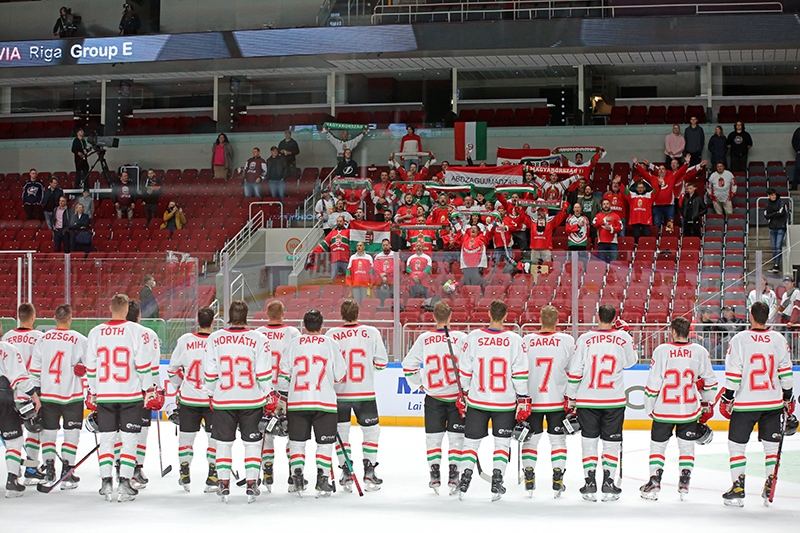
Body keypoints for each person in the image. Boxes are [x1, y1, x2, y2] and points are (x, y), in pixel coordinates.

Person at [720, 301, 794, 507]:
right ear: (767, 317)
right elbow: (786, 372)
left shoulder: (739, 339)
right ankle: (770, 483)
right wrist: (788, 396)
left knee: (736, 446)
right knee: (771, 447)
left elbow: (734, 373)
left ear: (751, 316)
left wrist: (728, 396)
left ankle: (737, 487)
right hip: (772, 402)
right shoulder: (778, 339)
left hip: (746, 403)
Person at [204, 300, 275, 503]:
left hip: (224, 400)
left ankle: (223, 483)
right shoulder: (259, 338)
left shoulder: (215, 338)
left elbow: (210, 372)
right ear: (246, 316)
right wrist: (268, 393)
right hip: (251, 400)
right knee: (252, 444)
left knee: (223, 444)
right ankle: (252, 483)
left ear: (229, 315)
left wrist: (211, 393)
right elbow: (263, 373)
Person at [456, 299, 528, 501]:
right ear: (506, 316)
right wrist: (523, 398)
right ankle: (497, 481)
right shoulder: (515, 340)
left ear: (489, 314)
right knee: (502, 444)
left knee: (470, 443)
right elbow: (520, 375)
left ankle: (465, 480)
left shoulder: (474, 337)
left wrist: (465, 392)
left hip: (477, 401)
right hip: (504, 403)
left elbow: (465, 371)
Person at [639, 317, 718, 501]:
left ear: (673, 331)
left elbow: (654, 382)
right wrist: (706, 403)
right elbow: (711, 382)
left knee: (658, 446)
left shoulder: (661, 350)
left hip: (664, 409)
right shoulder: (699, 351)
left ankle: (654, 480)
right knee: (686, 446)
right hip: (689, 410)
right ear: (689, 331)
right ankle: (684, 482)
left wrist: (649, 406)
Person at [85, 294, 154, 502]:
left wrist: (94, 391)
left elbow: (91, 367)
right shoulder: (136, 331)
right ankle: (124, 483)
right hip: (129, 395)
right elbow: (143, 365)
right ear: (125, 310)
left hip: (105, 395)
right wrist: (148, 389)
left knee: (107, 439)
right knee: (129, 440)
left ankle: (106, 482)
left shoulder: (96, 332)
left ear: (110, 308)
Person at [566, 304, 637, 502]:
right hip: (613, 400)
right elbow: (630, 362)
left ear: (597, 317)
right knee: (611, 444)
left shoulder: (585, 338)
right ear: (614, 318)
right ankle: (609, 484)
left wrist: (571, 397)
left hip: (588, 399)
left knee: (589, 442)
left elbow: (576, 371)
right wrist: (628, 336)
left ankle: (589, 484)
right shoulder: (622, 337)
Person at [401, 300, 468, 495]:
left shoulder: (424, 338)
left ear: (433, 317)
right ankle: (454, 475)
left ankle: (434, 473)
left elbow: (408, 365)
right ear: (451, 316)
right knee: (456, 439)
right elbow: (470, 365)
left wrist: (418, 383)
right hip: (456, 398)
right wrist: (466, 388)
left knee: (433, 439)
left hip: (433, 397)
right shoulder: (461, 338)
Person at [279, 310, 346, 497]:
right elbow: (340, 375)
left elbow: (283, 374)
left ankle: (297, 478)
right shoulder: (330, 343)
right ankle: (322, 479)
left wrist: (285, 396)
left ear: (304, 325)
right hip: (324, 402)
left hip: (297, 402)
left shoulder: (294, 343)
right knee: (324, 443)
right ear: (322, 325)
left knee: (296, 442)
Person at [327, 300, 388, 491]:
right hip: (365, 393)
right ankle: (369, 471)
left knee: (342, 433)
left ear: (341, 314)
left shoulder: (331, 334)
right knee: (371, 432)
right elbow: (382, 363)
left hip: (339, 394)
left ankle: (346, 471)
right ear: (358, 313)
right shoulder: (372, 332)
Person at [28, 304, 87, 489]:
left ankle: (49, 470)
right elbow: (91, 367)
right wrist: (83, 371)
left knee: (48, 433)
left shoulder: (43, 338)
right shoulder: (80, 339)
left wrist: (35, 393)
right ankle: (67, 472)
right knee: (72, 434)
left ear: (54, 318)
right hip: (72, 396)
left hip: (48, 395)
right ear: (70, 318)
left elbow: (34, 370)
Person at [519, 305, 575, 498]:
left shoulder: (527, 340)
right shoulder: (566, 341)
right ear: (558, 321)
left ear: (540, 320)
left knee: (531, 440)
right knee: (558, 440)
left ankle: (529, 475)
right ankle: (558, 476)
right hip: (557, 400)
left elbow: (520, 370)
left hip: (532, 400)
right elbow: (572, 370)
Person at [167, 306, 219, 493]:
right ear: (213, 322)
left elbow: (172, 370)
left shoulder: (185, 340)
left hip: (189, 399)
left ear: (198, 321)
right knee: (214, 439)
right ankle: (213, 476)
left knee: (186, 438)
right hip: (212, 400)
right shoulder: (218, 341)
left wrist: (179, 386)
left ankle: (184, 472)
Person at [255, 301, 301, 491]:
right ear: (284, 313)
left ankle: (267, 471)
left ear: (266, 313)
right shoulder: (292, 333)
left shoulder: (258, 333)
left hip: (264, 391)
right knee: (292, 433)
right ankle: (293, 473)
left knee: (266, 434)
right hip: (286, 392)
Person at [2, 303, 45, 485]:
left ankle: (16, 468)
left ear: (18, 317)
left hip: (10, 393)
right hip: (29, 391)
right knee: (33, 431)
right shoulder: (40, 338)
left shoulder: (7, 337)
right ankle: (31, 468)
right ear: (33, 317)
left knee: (12, 435)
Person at [0, 330, 41, 498]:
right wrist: (34, 395)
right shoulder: (8, 348)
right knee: (14, 441)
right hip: (3, 396)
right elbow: (19, 378)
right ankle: (12, 480)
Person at [309, 216, 350, 282]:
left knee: (348, 278)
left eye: (340, 221)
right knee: (333, 278)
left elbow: (354, 243)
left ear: (344, 222)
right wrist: (314, 251)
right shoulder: (332, 233)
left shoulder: (348, 232)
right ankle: (332, 288)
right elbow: (324, 244)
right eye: (338, 221)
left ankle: (349, 288)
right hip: (334, 259)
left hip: (345, 259)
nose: (339, 223)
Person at [764, 188, 788, 273]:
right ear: (769, 196)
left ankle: (777, 264)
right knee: (774, 247)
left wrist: (772, 214)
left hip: (780, 227)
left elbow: (781, 213)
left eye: (774, 195)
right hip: (772, 227)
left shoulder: (781, 202)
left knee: (778, 246)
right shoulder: (767, 204)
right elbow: (766, 215)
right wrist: (775, 213)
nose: (773, 196)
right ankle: (775, 264)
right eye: (771, 195)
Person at [625, 178, 655, 243]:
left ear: (644, 188)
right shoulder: (632, 196)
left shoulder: (649, 195)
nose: (640, 189)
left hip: (645, 220)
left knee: (646, 235)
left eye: (641, 187)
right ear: (636, 189)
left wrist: (658, 185)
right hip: (635, 220)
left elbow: (656, 191)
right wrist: (620, 184)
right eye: (639, 188)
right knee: (636, 235)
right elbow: (625, 192)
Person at [593, 199, 622, 264]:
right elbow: (594, 224)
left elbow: (620, 227)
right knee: (602, 263)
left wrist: (611, 228)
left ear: (610, 205)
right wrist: (604, 220)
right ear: (602, 206)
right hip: (602, 242)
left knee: (614, 263)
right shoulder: (598, 216)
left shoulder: (616, 216)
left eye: (607, 204)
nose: (606, 206)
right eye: (604, 204)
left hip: (613, 243)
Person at [372, 239, 395, 305]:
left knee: (391, 300)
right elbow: (376, 267)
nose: (385, 246)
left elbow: (395, 266)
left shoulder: (394, 255)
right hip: (381, 280)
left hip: (391, 281)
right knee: (381, 299)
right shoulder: (378, 256)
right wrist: (381, 275)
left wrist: (386, 273)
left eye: (386, 245)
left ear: (389, 245)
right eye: (384, 245)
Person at [792, 124, 800, 190]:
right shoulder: (798, 131)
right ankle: (794, 186)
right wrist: (797, 150)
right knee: (797, 169)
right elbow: (794, 141)